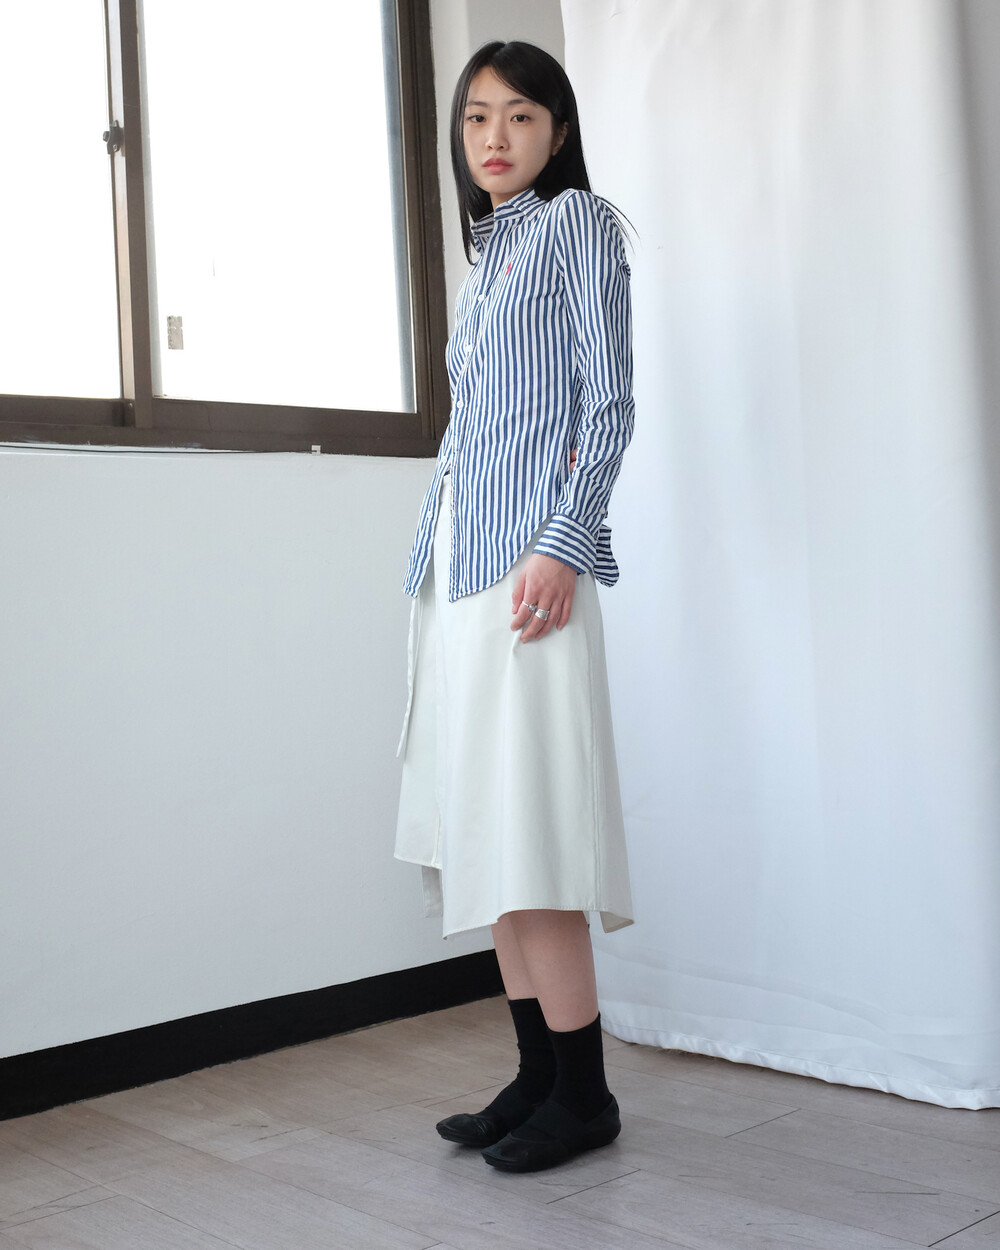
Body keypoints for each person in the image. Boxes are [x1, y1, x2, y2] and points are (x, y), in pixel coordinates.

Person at [394, 38, 635, 1174]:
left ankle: (583, 1093)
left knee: (531, 831)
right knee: (484, 831)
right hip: (456, 570)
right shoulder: (489, 254)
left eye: (522, 115)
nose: (495, 137)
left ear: (558, 130)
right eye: (477, 117)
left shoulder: (578, 226)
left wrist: (562, 544)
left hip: (528, 572)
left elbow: (609, 402)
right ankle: (537, 1075)